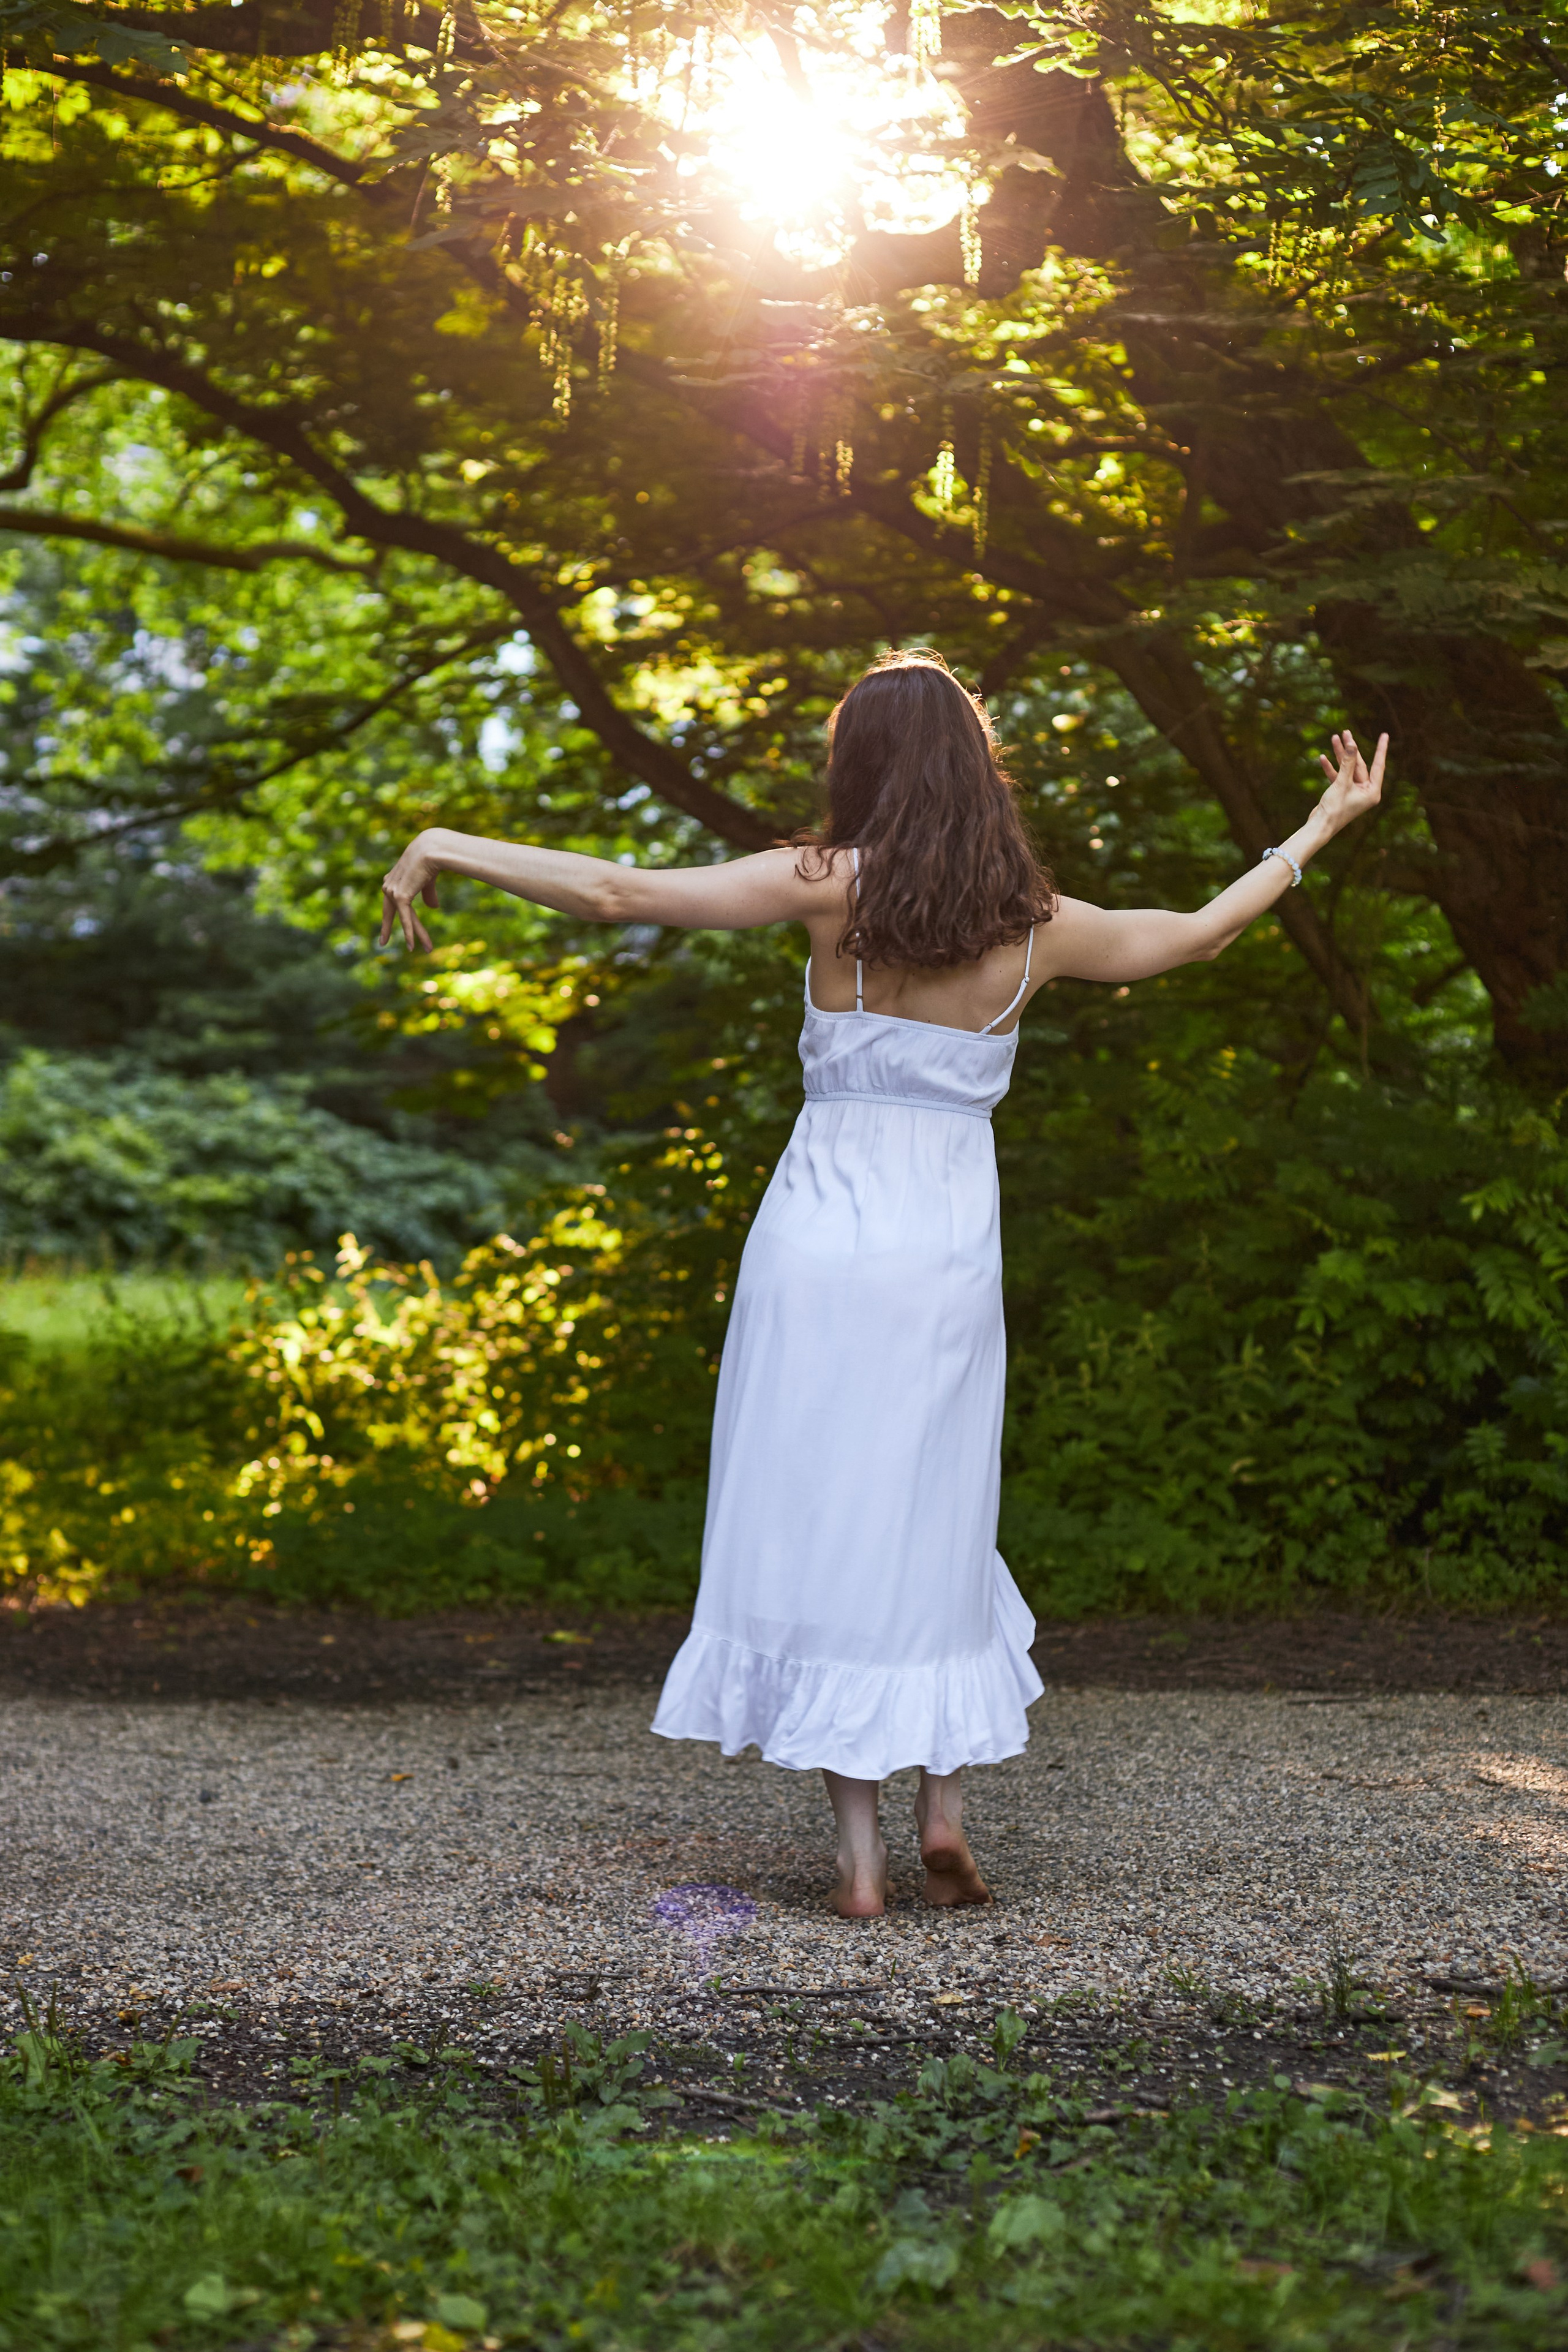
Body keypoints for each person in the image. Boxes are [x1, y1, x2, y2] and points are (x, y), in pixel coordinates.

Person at [381, 651, 1387, 1918]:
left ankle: (858, 1863)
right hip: (943, 1258)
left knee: (824, 1518)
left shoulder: (823, 887)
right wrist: (1320, 823)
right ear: (976, 768)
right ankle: (945, 1817)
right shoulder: (1038, 926)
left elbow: (611, 888)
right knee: (934, 1515)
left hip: (814, 1241)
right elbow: (1195, 937)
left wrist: (440, 841)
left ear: (859, 763)